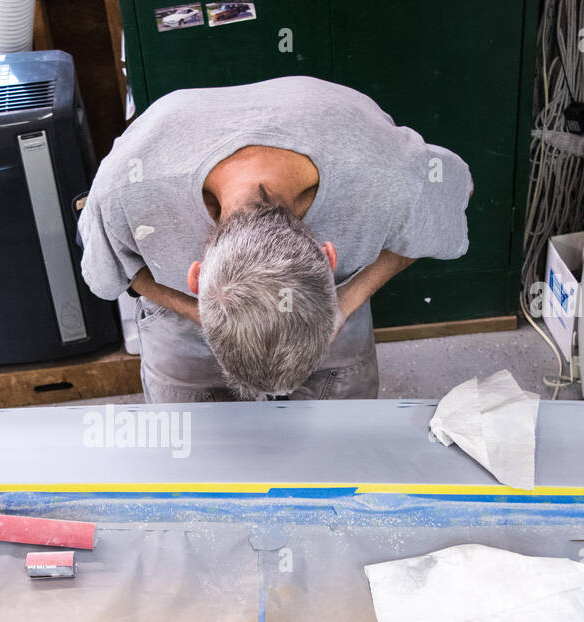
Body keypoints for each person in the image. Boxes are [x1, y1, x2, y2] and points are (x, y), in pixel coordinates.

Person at [79, 75, 473, 402]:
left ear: (327, 259)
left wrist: (345, 301)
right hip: (185, 326)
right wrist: (196, 313)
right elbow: (114, 265)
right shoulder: (127, 188)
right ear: (195, 278)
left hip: (323, 314)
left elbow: (456, 194)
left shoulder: (382, 176)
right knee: (194, 464)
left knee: (343, 456)